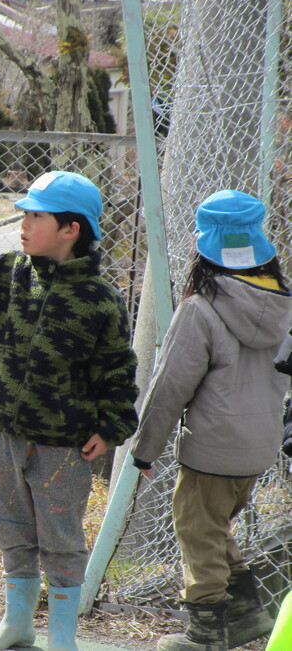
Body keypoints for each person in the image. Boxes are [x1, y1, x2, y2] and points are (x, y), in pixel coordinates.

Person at [0, 163, 139, 651]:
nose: (23, 225)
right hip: (5, 435)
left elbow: (116, 370)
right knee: (11, 529)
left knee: (61, 537)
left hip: (64, 447)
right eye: (23, 214)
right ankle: (17, 623)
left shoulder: (98, 299)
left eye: (36, 217)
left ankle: (62, 636)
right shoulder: (6, 275)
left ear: (71, 230)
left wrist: (110, 427)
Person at [130, 189, 292, 651]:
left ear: (206, 247)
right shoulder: (284, 302)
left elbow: (169, 389)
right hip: (260, 446)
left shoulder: (200, 308)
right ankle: (244, 617)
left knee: (197, 533)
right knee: (215, 528)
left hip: (212, 449)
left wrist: (145, 449)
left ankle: (204, 636)